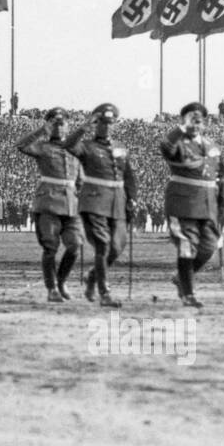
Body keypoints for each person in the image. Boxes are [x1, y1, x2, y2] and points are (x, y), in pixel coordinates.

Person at [63, 102, 137, 306]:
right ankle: (105, 293)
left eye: (110, 123)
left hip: (117, 204)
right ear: (96, 124)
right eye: (102, 123)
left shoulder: (121, 148)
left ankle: (93, 277)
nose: (106, 127)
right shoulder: (86, 146)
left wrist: (132, 198)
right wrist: (84, 127)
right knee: (103, 245)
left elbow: (129, 176)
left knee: (116, 247)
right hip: (94, 202)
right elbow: (68, 145)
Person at [159, 101, 224, 308]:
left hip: (207, 207)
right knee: (186, 246)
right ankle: (188, 293)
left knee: (208, 247)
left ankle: (182, 277)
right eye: (190, 119)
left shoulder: (213, 147)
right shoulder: (178, 144)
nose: (195, 124)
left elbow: (222, 178)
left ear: (204, 123)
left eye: (198, 120)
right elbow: (166, 147)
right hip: (183, 205)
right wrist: (181, 129)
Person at [16, 108, 84, 302]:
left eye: (62, 123)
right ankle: (52, 288)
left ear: (68, 126)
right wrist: (41, 131)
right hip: (48, 204)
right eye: (54, 123)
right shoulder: (43, 147)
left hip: (71, 205)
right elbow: (21, 145)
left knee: (75, 246)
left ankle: (61, 282)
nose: (58, 127)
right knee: (50, 248)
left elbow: (80, 179)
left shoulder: (76, 150)